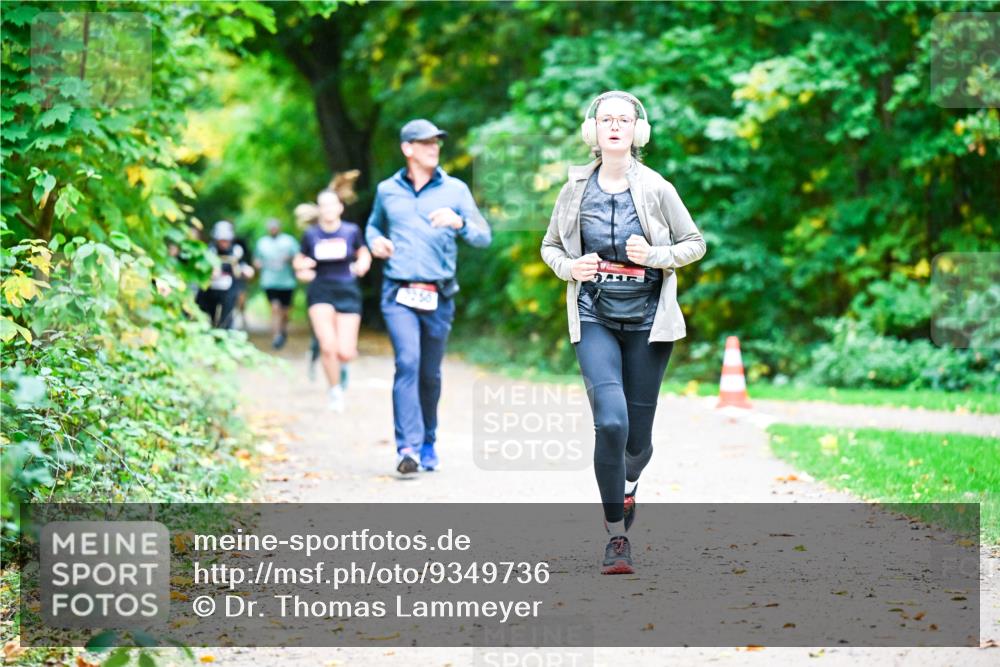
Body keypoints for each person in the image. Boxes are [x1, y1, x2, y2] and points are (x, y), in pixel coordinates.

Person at [540, 91, 706, 574]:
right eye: (607, 119)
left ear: (638, 131)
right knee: (609, 423)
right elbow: (550, 246)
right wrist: (571, 267)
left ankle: (630, 481)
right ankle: (616, 538)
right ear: (594, 131)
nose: (615, 126)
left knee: (637, 442)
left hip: (649, 322)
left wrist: (654, 255)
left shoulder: (657, 187)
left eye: (625, 120)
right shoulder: (573, 190)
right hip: (594, 315)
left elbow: (694, 243)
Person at [366, 119, 492, 474]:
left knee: (429, 374)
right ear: (407, 148)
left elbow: (484, 236)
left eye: (436, 142)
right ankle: (406, 447)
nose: (433, 148)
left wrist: (460, 223)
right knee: (407, 361)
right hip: (398, 291)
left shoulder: (455, 190)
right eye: (424, 143)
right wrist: (375, 241)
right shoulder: (386, 190)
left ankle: (428, 441)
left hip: (438, 294)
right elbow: (374, 225)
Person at [294, 186, 371, 412]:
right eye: (323, 205)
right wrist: (302, 267)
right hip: (321, 290)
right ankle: (335, 391)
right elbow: (299, 260)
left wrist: (363, 264)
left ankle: (341, 366)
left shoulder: (351, 231)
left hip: (347, 289)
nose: (328, 209)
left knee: (345, 351)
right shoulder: (311, 234)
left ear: (340, 207)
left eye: (331, 204)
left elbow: (363, 252)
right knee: (328, 346)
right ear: (319, 210)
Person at [197, 220, 255, 329]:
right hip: (210, 290)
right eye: (221, 240)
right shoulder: (210, 250)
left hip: (229, 289)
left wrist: (246, 270)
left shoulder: (237, 250)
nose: (224, 243)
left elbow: (242, 264)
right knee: (209, 315)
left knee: (227, 317)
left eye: (226, 240)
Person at [255, 218, 299, 349]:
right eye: (271, 227)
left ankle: (283, 331)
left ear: (279, 227)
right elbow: (256, 259)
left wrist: (290, 259)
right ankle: (276, 336)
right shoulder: (262, 243)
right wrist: (257, 265)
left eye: (275, 226)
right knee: (275, 308)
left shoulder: (289, 241)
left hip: (287, 282)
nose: (273, 229)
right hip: (269, 282)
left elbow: (299, 257)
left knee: (285, 311)